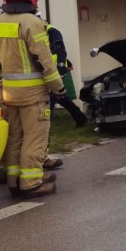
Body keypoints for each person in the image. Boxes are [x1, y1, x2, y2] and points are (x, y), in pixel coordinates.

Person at [0, 0, 65, 198]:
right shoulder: (33, 23)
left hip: (8, 93)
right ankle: (31, 183)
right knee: (35, 138)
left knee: (15, 138)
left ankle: (14, 181)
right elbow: (44, 60)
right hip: (33, 94)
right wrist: (59, 87)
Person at [39, 15, 86, 171]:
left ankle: (49, 127)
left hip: (55, 72)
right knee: (62, 98)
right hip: (47, 72)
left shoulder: (52, 32)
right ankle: (80, 118)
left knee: (52, 99)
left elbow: (61, 51)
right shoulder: (39, 31)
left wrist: (59, 69)